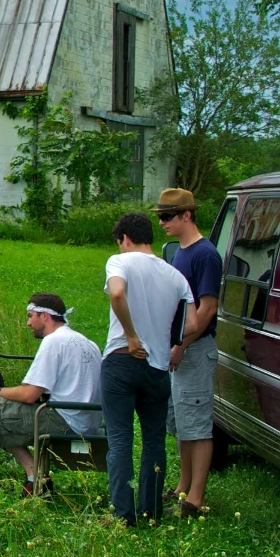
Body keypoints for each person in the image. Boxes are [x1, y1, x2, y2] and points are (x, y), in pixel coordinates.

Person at [102, 213, 195, 526]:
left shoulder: (120, 262)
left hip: (121, 359)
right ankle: (151, 509)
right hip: (157, 366)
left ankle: (123, 513)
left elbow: (116, 293)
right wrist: (173, 346)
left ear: (125, 238)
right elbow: (192, 323)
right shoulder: (175, 276)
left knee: (120, 439)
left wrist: (130, 335)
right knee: (154, 441)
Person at [0, 293, 102, 497]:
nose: (28, 323)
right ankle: (35, 473)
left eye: (31, 316)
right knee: (3, 411)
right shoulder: (86, 343)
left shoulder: (54, 342)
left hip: (65, 420)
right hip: (86, 420)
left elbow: (30, 394)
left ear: (45, 317)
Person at [155, 188, 223, 517]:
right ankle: (183, 486)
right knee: (183, 423)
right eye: (159, 217)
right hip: (180, 351)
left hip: (195, 350)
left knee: (197, 425)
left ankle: (196, 497)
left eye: (167, 216)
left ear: (187, 215)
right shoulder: (178, 252)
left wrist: (182, 346)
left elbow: (208, 309)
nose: (162, 222)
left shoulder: (205, 254)